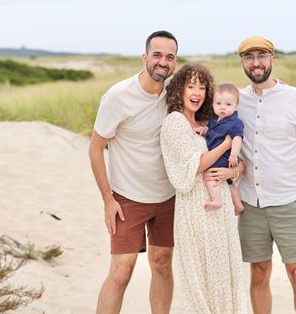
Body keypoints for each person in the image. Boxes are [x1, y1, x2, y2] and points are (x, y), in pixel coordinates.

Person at [88, 30, 178, 314]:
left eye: (170, 56)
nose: (162, 62)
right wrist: (107, 199)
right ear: (145, 57)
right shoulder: (118, 96)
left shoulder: (176, 93)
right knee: (122, 271)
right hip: (128, 198)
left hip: (168, 197)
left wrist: (271, 87)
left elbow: (214, 98)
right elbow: (95, 148)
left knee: (162, 263)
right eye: (157, 55)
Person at [238, 36, 296, 314]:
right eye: (249, 57)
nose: (256, 63)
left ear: (272, 59)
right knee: (259, 273)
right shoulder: (236, 100)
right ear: (242, 62)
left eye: (261, 56)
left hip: (291, 202)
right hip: (251, 204)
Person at [160, 64, 247, 314]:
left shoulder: (209, 120)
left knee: (224, 274)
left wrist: (231, 171)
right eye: (191, 86)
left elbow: (240, 164)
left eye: (202, 87)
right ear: (180, 90)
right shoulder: (175, 123)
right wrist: (226, 145)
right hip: (195, 210)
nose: (197, 92)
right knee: (201, 277)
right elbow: (197, 165)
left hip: (220, 210)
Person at [194, 83, 245, 215]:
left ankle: (216, 200)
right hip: (219, 154)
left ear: (236, 106)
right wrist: (203, 130)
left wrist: (234, 155)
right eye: (218, 103)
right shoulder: (214, 118)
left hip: (225, 156)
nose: (223, 107)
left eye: (228, 105)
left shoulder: (235, 122)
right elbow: (211, 132)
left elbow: (237, 139)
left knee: (210, 175)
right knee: (229, 183)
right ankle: (238, 204)